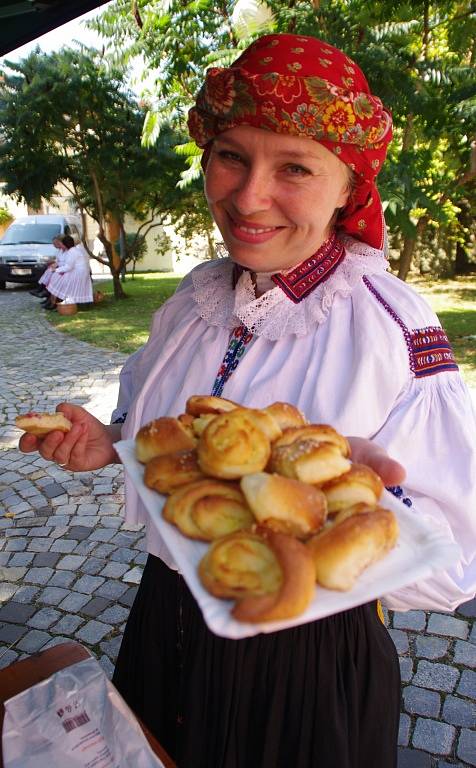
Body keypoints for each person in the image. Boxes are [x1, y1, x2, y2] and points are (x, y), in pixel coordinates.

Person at [19, 33, 476, 768]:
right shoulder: (193, 299)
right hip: (162, 619)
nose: (248, 195)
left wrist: (352, 499)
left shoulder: (392, 327)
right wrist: (110, 438)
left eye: (294, 167)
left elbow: (455, 560)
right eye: (232, 155)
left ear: (349, 188)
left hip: (303, 662)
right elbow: (150, 418)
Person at [44, 234, 93, 310]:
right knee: (57, 278)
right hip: (79, 272)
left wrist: (56, 270)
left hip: (79, 274)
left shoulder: (72, 252)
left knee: (57, 279)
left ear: (65, 244)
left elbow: (68, 267)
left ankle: (55, 301)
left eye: (62, 244)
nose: (61, 245)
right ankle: (54, 300)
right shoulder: (74, 250)